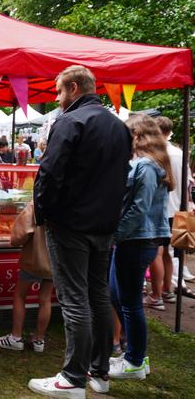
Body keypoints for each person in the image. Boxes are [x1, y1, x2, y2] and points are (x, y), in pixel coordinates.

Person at [29, 65, 132, 398]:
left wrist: (43, 214)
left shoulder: (70, 121)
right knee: (97, 295)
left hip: (71, 224)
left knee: (76, 299)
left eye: (59, 91)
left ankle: (73, 378)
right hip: (104, 223)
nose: (57, 98)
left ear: (73, 88)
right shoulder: (119, 126)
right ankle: (99, 373)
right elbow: (122, 177)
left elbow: (49, 174)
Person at [109, 115, 173, 380]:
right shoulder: (146, 164)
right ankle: (136, 354)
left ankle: (135, 360)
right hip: (135, 240)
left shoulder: (146, 166)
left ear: (137, 135)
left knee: (130, 301)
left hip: (136, 240)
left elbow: (139, 209)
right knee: (117, 295)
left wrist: (116, 235)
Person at [146, 116, 193, 309]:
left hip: (160, 210)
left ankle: (156, 295)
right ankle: (168, 291)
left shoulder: (158, 154)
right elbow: (189, 182)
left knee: (157, 252)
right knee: (170, 253)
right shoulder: (180, 153)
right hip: (178, 210)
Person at [0, 266, 53, 354]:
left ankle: (15, 338)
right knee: (46, 299)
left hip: (33, 262)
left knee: (20, 295)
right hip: (53, 263)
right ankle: (38, 341)